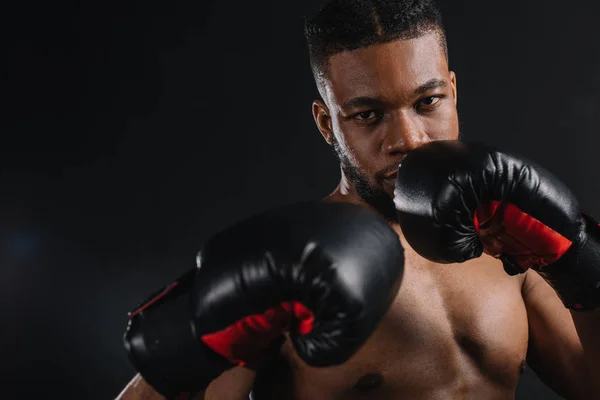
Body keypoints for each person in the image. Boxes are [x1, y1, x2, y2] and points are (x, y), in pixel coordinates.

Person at [116, 0, 600, 399]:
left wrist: (583, 263)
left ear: (453, 91)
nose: (407, 139)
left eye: (427, 102)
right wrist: (191, 332)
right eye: (369, 115)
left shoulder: (510, 241)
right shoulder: (296, 268)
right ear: (327, 123)